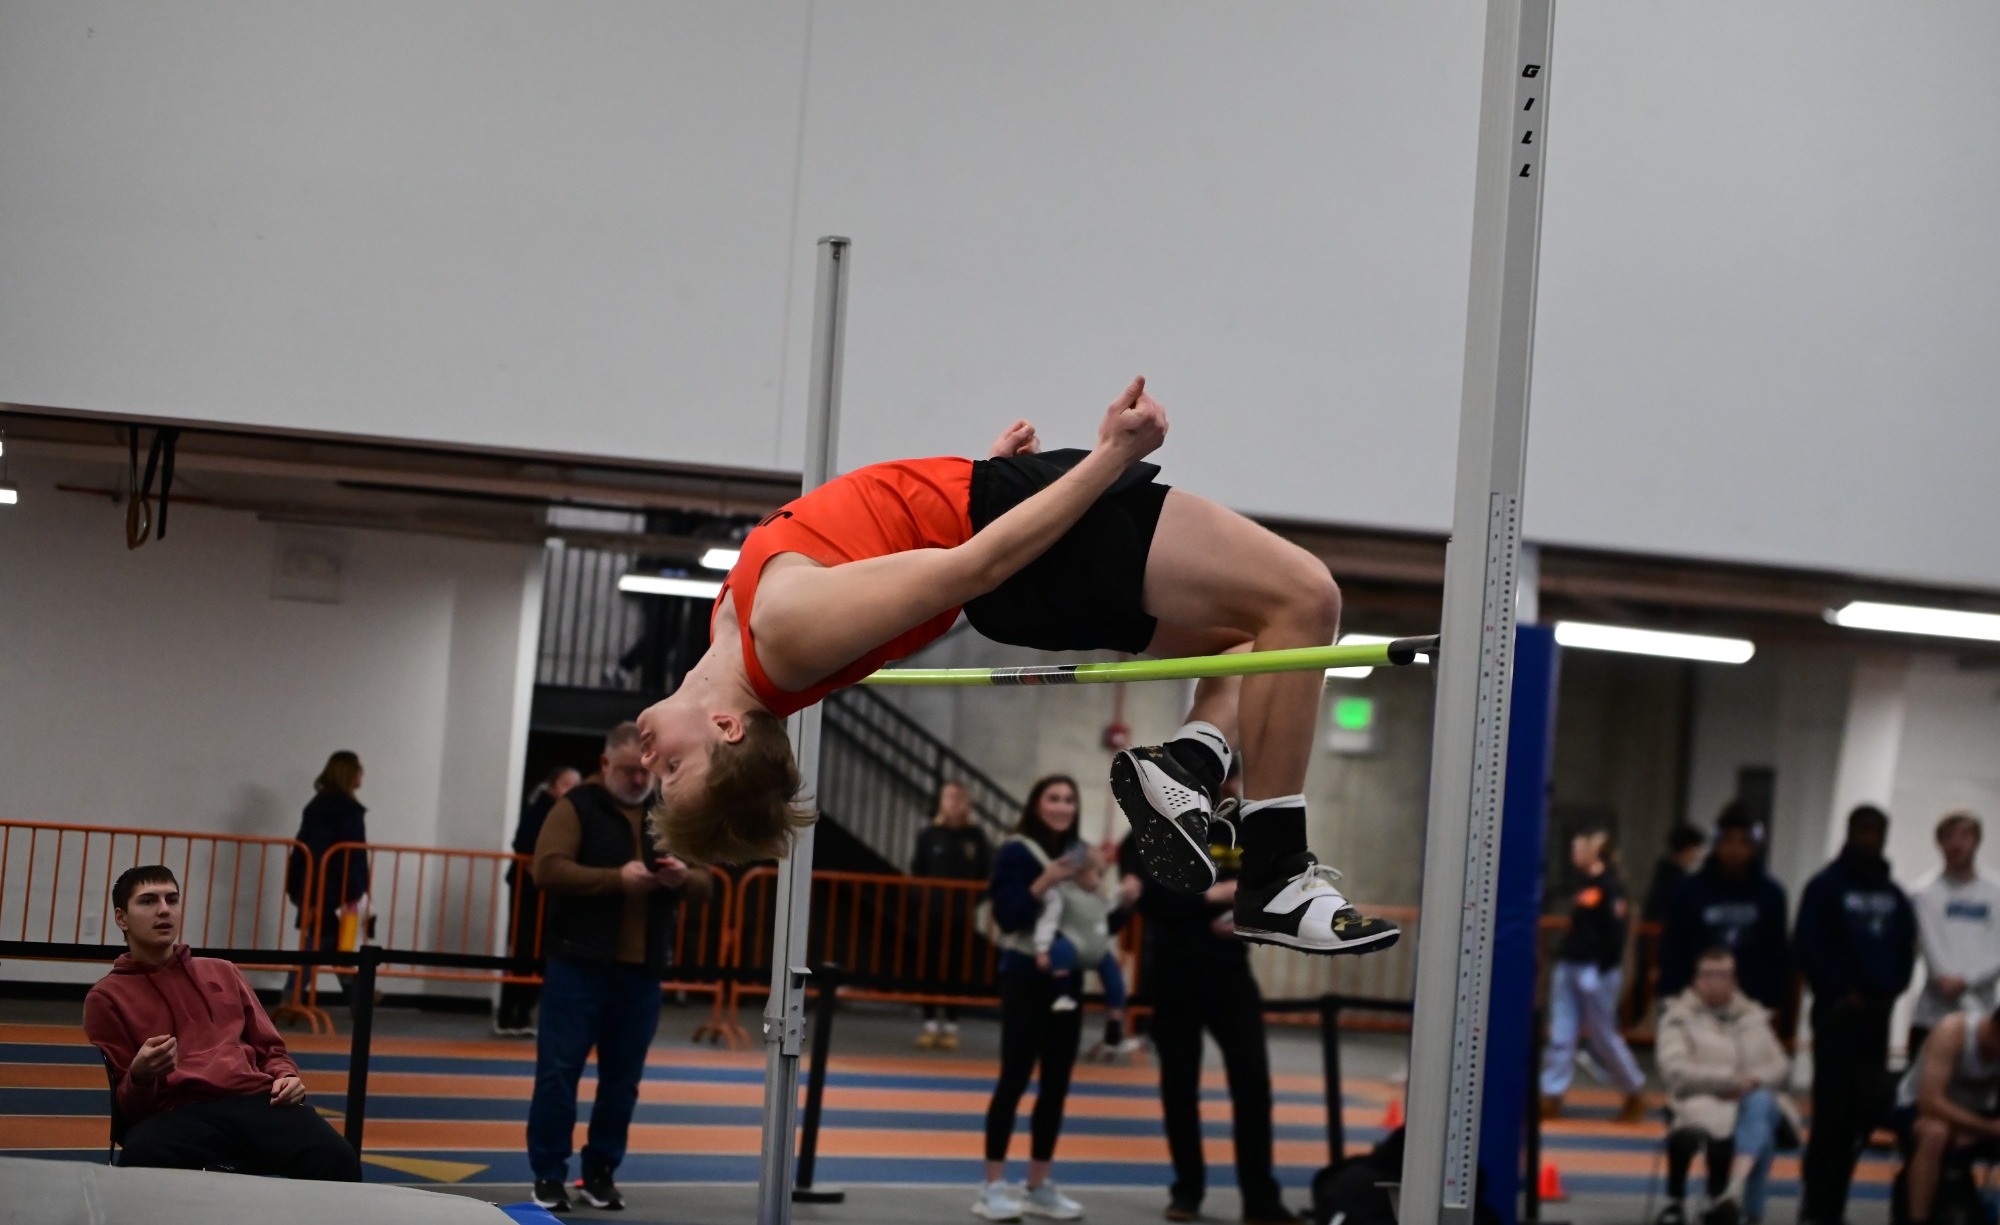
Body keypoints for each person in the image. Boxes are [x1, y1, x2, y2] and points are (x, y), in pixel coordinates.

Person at [635, 378, 1398, 956]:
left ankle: (1193, 764)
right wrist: (1107, 460)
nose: (645, 760)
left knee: (1254, 641)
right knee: (1306, 599)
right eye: (672, 766)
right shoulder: (783, 635)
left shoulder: (739, 641)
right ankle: (1275, 873)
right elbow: (975, 565)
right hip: (1012, 538)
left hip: (999, 520)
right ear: (728, 727)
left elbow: (907, 581)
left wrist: (971, 483)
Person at [526, 722, 714, 1214]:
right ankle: (548, 1174)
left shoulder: (668, 810)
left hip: (642, 971)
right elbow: (545, 869)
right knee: (557, 1075)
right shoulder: (574, 808)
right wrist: (615, 880)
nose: (637, 779)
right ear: (605, 764)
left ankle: (601, 1172)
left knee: (622, 1081)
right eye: (628, 770)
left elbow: (707, 883)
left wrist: (681, 878)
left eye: (644, 771)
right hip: (578, 964)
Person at [82, 865, 362, 1181]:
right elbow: (126, 1110)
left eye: (171, 900)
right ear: (122, 918)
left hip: (255, 1102)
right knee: (143, 1156)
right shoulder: (106, 997)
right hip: (179, 1112)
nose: (164, 909)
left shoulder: (223, 972)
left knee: (338, 1158)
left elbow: (271, 1050)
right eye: (148, 901)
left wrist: (286, 1077)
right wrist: (141, 1075)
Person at [1119, 768, 1300, 1225]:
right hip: (1174, 972)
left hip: (1230, 973)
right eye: (1221, 787)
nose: (1230, 794)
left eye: (1234, 786)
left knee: (1254, 1084)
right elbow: (1151, 900)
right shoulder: (1155, 826)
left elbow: (1275, 886)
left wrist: (1245, 911)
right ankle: (1187, 1192)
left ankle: (1260, 1201)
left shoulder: (1245, 828)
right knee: (1180, 1086)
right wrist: (1213, 896)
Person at [1794, 804, 1919, 1225]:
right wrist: (1841, 991)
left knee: (1865, 1114)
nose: (1868, 839)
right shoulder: (1825, 886)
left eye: (1875, 832)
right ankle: (1818, 1205)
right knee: (1832, 1115)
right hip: (1836, 1014)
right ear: (1849, 833)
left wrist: (1890, 993)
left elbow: (1905, 951)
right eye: (1861, 831)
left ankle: (1839, 1198)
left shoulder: (1895, 895)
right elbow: (1807, 947)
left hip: (1876, 1019)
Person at [977, 776, 1093, 1221]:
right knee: (1014, 1078)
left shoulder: (1081, 853)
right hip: (1025, 975)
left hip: (1067, 979)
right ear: (1036, 803)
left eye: (1069, 799)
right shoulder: (1016, 851)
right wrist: (1045, 880)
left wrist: (1118, 900)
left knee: (1057, 1085)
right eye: (1054, 798)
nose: (1063, 806)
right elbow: (1007, 918)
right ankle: (991, 1185)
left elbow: (1090, 919)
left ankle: (1039, 1185)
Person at [1655, 948, 1800, 1225]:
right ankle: (1747, 1210)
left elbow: (1781, 1065)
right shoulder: (1678, 1017)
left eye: (1722, 975)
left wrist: (1752, 1081)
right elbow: (1675, 1070)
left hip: (1752, 1097)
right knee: (1761, 1125)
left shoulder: (1754, 1017)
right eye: (1707, 974)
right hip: (1701, 1098)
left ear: (1734, 980)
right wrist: (1731, 1081)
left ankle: (1733, 1192)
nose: (1714, 981)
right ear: (1696, 979)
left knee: (1759, 1105)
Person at [1540, 829, 1649, 1123]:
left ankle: (1634, 1092)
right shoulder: (1585, 885)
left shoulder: (1612, 888)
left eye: (1584, 846)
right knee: (1561, 1033)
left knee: (1603, 1037)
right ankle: (1551, 1094)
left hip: (1595, 969)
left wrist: (1602, 968)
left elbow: (1615, 933)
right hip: (1571, 965)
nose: (1576, 850)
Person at [1657, 805, 1791, 1021]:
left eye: (1743, 842)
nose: (1735, 850)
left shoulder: (1771, 895)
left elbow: (1776, 951)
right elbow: (1674, 945)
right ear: (1717, 844)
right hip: (1696, 1001)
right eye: (1728, 841)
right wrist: (1673, 994)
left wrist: (1772, 999)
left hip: (1751, 1002)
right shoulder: (1690, 891)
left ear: (1754, 847)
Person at [1894, 1004, 2000, 1225]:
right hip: (1918, 1107)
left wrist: (1977, 1131)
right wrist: (1986, 1128)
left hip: (1972, 1114)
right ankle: (1917, 1219)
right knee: (1935, 1133)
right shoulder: (1953, 1032)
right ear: (1993, 1029)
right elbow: (1931, 1101)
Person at [497, 764, 583, 1037]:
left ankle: (521, 1012)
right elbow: (523, 841)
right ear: (552, 786)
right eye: (566, 784)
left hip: (545, 888)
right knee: (525, 948)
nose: (572, 791)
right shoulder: (543, 808)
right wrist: (542, 863)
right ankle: (511, 1013)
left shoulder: (565, 811)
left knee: (537, 950)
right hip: (530, 888)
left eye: (575, 786)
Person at [1910, 812, 2000, 1061]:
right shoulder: (1922, 893)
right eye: (1949, 837)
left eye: (1965, 836)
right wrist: (1944, 979)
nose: (1957, 844)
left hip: (1983, 1016)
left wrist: (1967, 979)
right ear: (1939, 842)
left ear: (1977, 841)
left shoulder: (1995, 893)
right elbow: (1928, 944)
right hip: (1932, 1014)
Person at [910, 780, 994, 1050]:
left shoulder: (976, 837)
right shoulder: (929, 835)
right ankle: (930, 1022)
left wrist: (972, 901)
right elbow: (918, 871)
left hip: (962, 915)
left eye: (959, 798)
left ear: (967, 803)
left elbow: (986, 873)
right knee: (930, 965)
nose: (953, 803)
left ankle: (952, 1023)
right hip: (933, 913)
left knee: (958, 967)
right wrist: (926, 899)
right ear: (941, 802)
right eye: (948, 797)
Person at [284, 750, 370, 1007]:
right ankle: (292, 996)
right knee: (323, 943)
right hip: (336, 889)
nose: (362, 775)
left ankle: (357, 997)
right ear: (349, 773)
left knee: (329, 943)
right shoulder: (346, 811)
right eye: (359, 770)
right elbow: (349, 856)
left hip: (315, 885)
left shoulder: (317, 806)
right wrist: (357, 889)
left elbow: (304, 848)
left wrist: (296, 885)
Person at [1032, 846, 1132, 1058]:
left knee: (1115, 979)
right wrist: (1042, 949)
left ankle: (1114, 1021)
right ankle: (1062, 994)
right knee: (1061, 951)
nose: (1101, 879)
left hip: (1099, 949)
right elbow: (1048, 922)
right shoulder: (1062, 894)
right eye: (1099, 873)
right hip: (1074, 943)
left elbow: (1112, 902)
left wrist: (1125, 894)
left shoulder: (1099, 896)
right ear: (1082, 872)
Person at [1646, 824, 1708, 924]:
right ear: (1688, 849)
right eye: (1696, 849)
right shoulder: (1677, 880)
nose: (1698, 855)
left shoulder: (1665, 873)